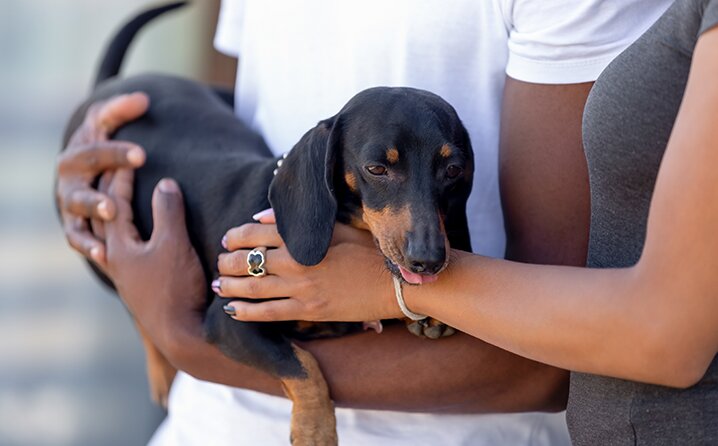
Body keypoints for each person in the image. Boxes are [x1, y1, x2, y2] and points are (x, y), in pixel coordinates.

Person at [55, 0, 673, 444]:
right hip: (208, 425)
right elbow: (251, 114)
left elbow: (558, 355)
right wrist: (109, 156)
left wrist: (185, 337)